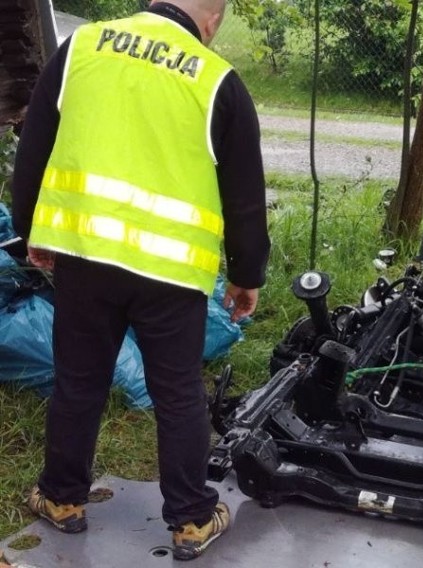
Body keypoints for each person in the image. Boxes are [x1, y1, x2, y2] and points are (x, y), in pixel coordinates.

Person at [11, 0, 270, 560]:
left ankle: (60, 499)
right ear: (213, 20)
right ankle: (192, 521)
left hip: (86, 256)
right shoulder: (217, 81)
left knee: (78, 381)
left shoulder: (83, 47)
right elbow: (245, 196)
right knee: (178, 394)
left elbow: (34, 144)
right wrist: (248, 276)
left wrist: (31, 228)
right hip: (170, 275)